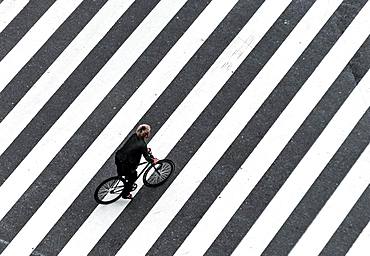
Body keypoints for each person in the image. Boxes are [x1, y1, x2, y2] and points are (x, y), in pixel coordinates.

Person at [115, 124, 158, 199]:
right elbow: (147, 157)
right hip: (126, 164)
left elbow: (132, 146)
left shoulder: (134, 136)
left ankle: (124, 178)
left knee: (125, 172)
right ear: (146, 134)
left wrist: (145, 150)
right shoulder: (142, 145)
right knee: (133, 176)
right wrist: (153, 161)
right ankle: (126, 194)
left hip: (119, 157)